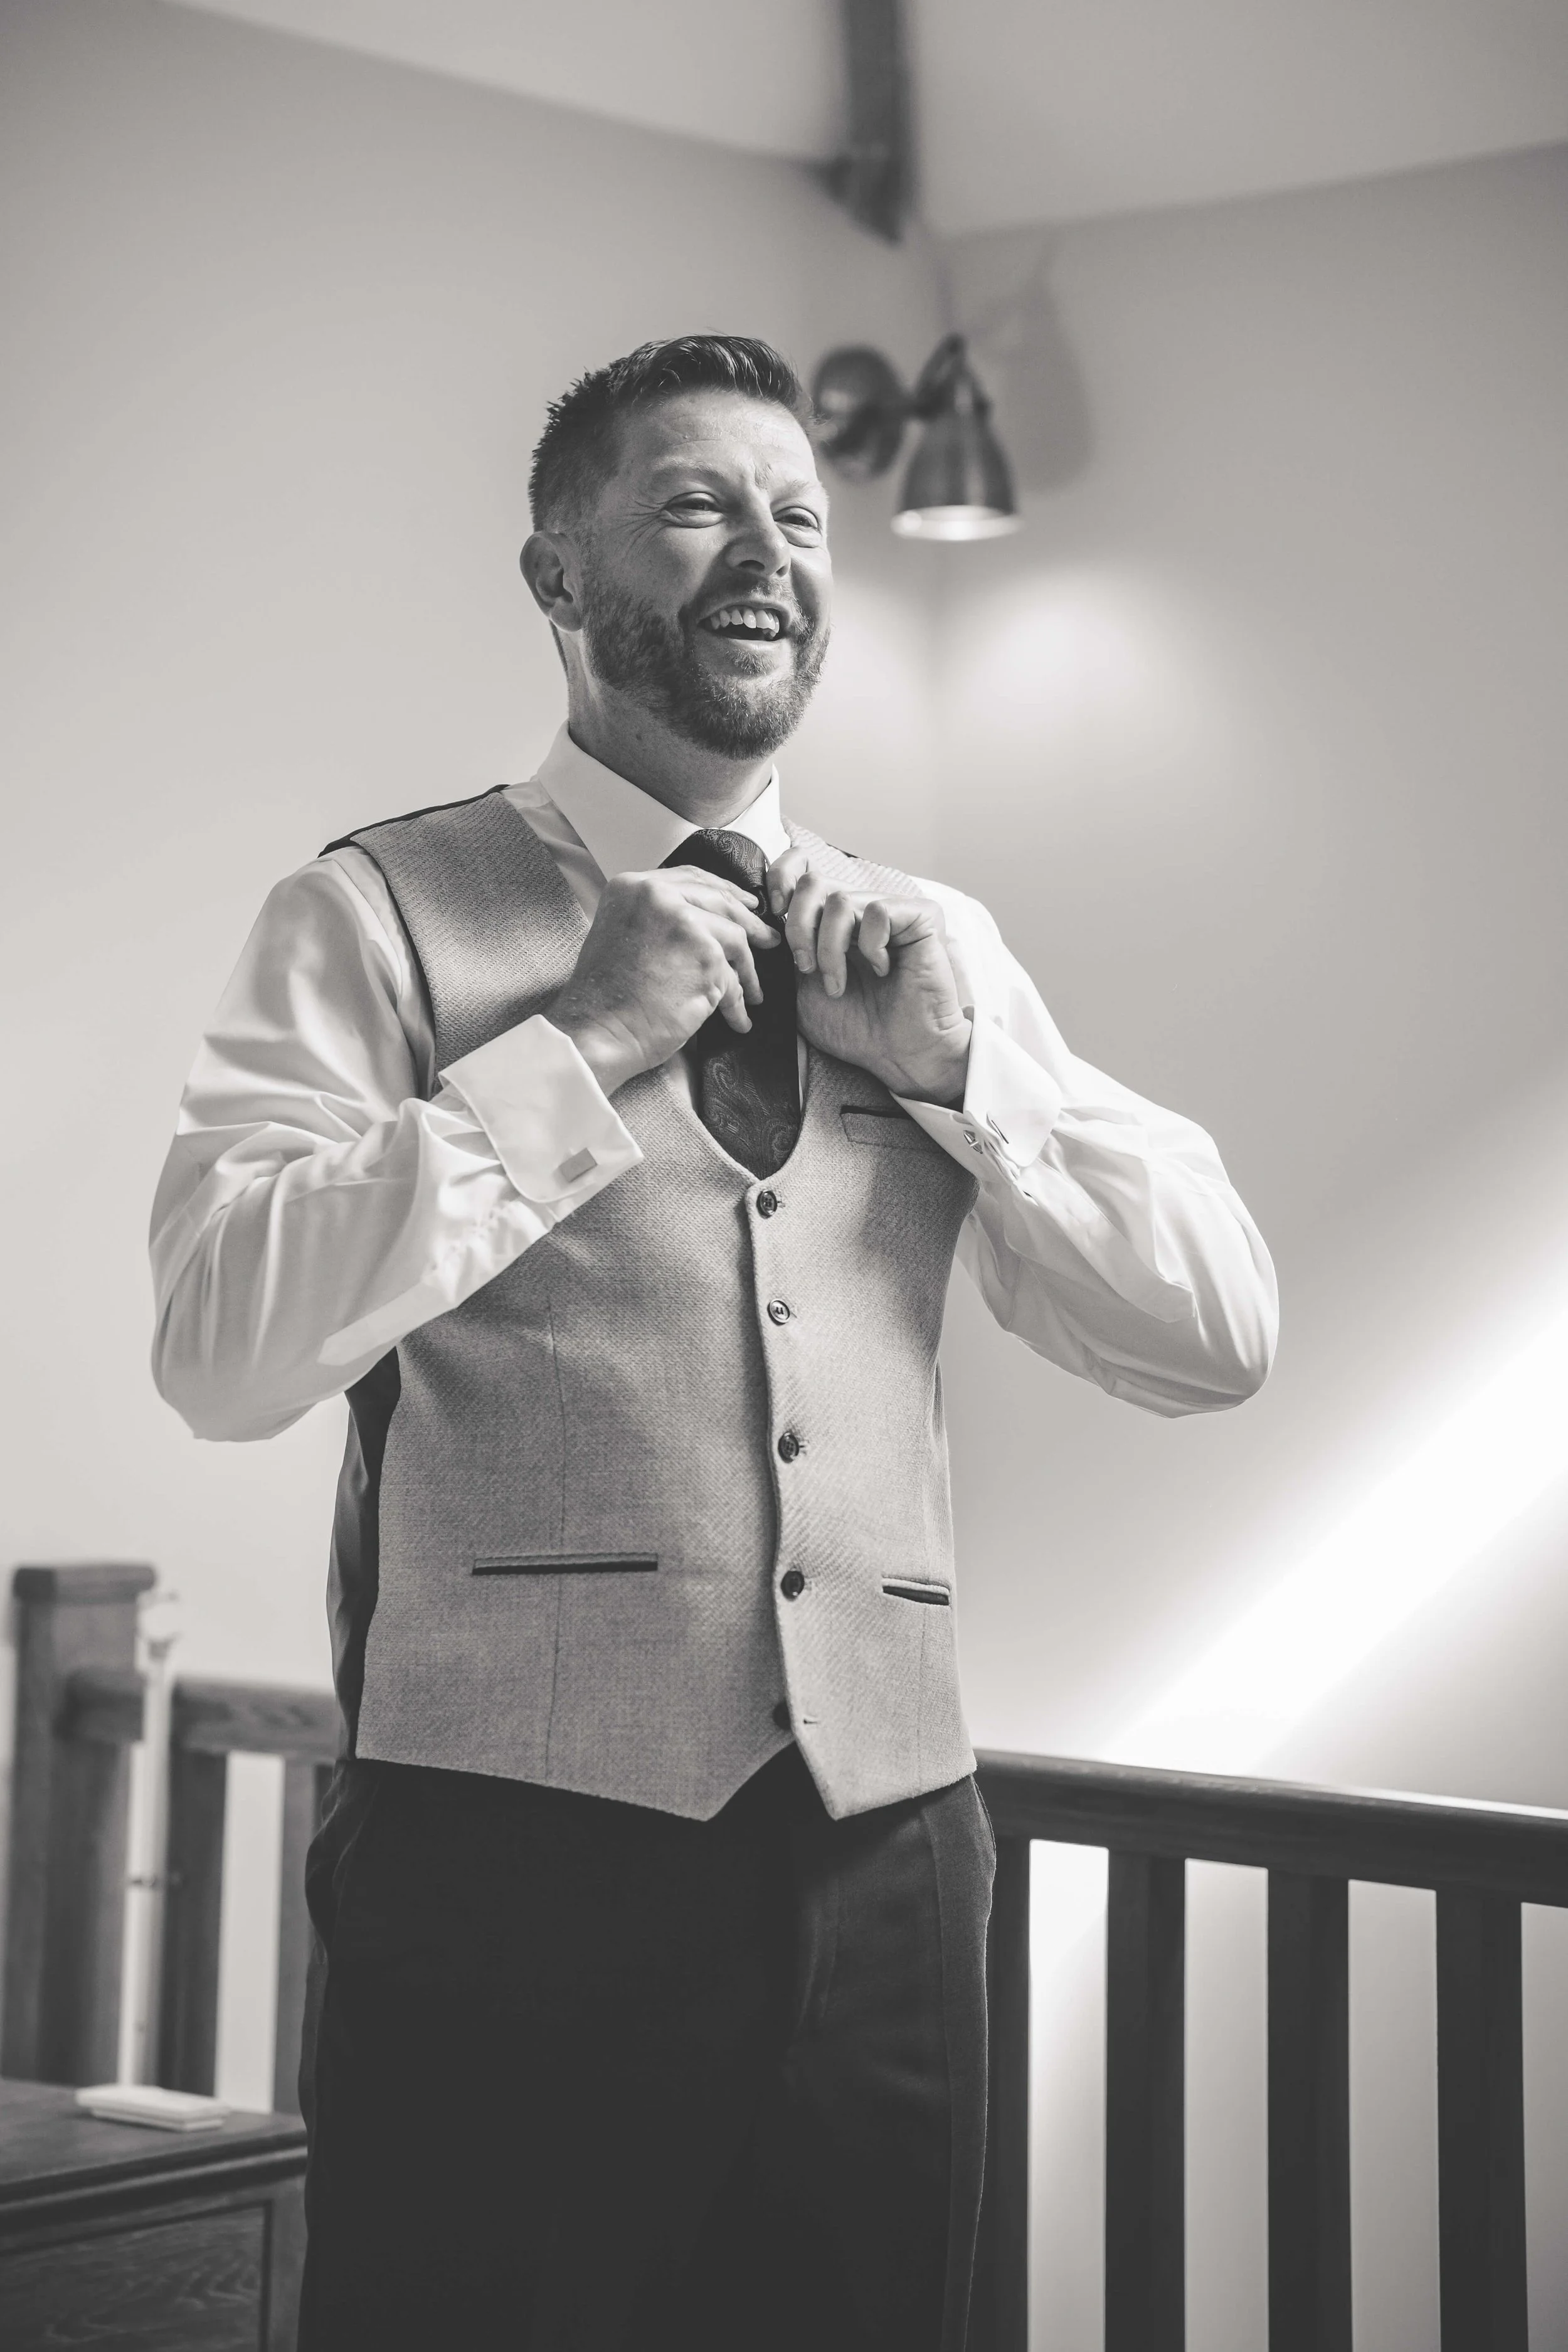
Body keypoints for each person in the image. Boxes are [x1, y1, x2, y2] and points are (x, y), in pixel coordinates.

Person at [150, 334, 1276, 2350]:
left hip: (892, 1881)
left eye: (798, 514)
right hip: (506, 1866)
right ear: (555, 579)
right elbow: (222, 1341)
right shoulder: (371, 913)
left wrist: (953, 1066)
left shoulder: (929, 944)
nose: (765, 551)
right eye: (693, 503)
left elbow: (1215, 1330)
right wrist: (574, 1046)